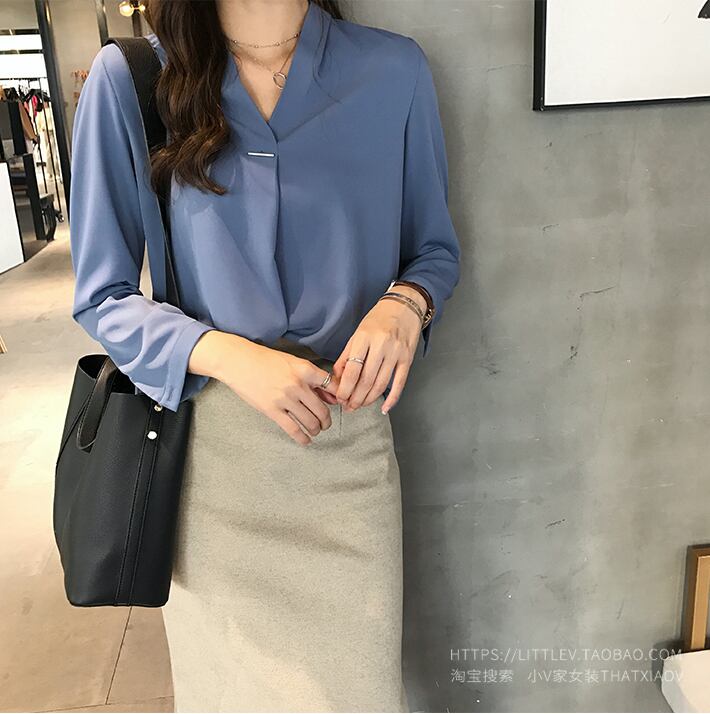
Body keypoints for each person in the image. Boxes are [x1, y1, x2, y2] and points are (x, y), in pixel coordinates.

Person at [69, 0, 460, 711]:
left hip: (348, 457)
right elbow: (103, 296)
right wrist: (228, 356)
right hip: (213, 470)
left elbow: (434, 249)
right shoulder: (134, 79)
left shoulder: (393, 71)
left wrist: (405, 306)